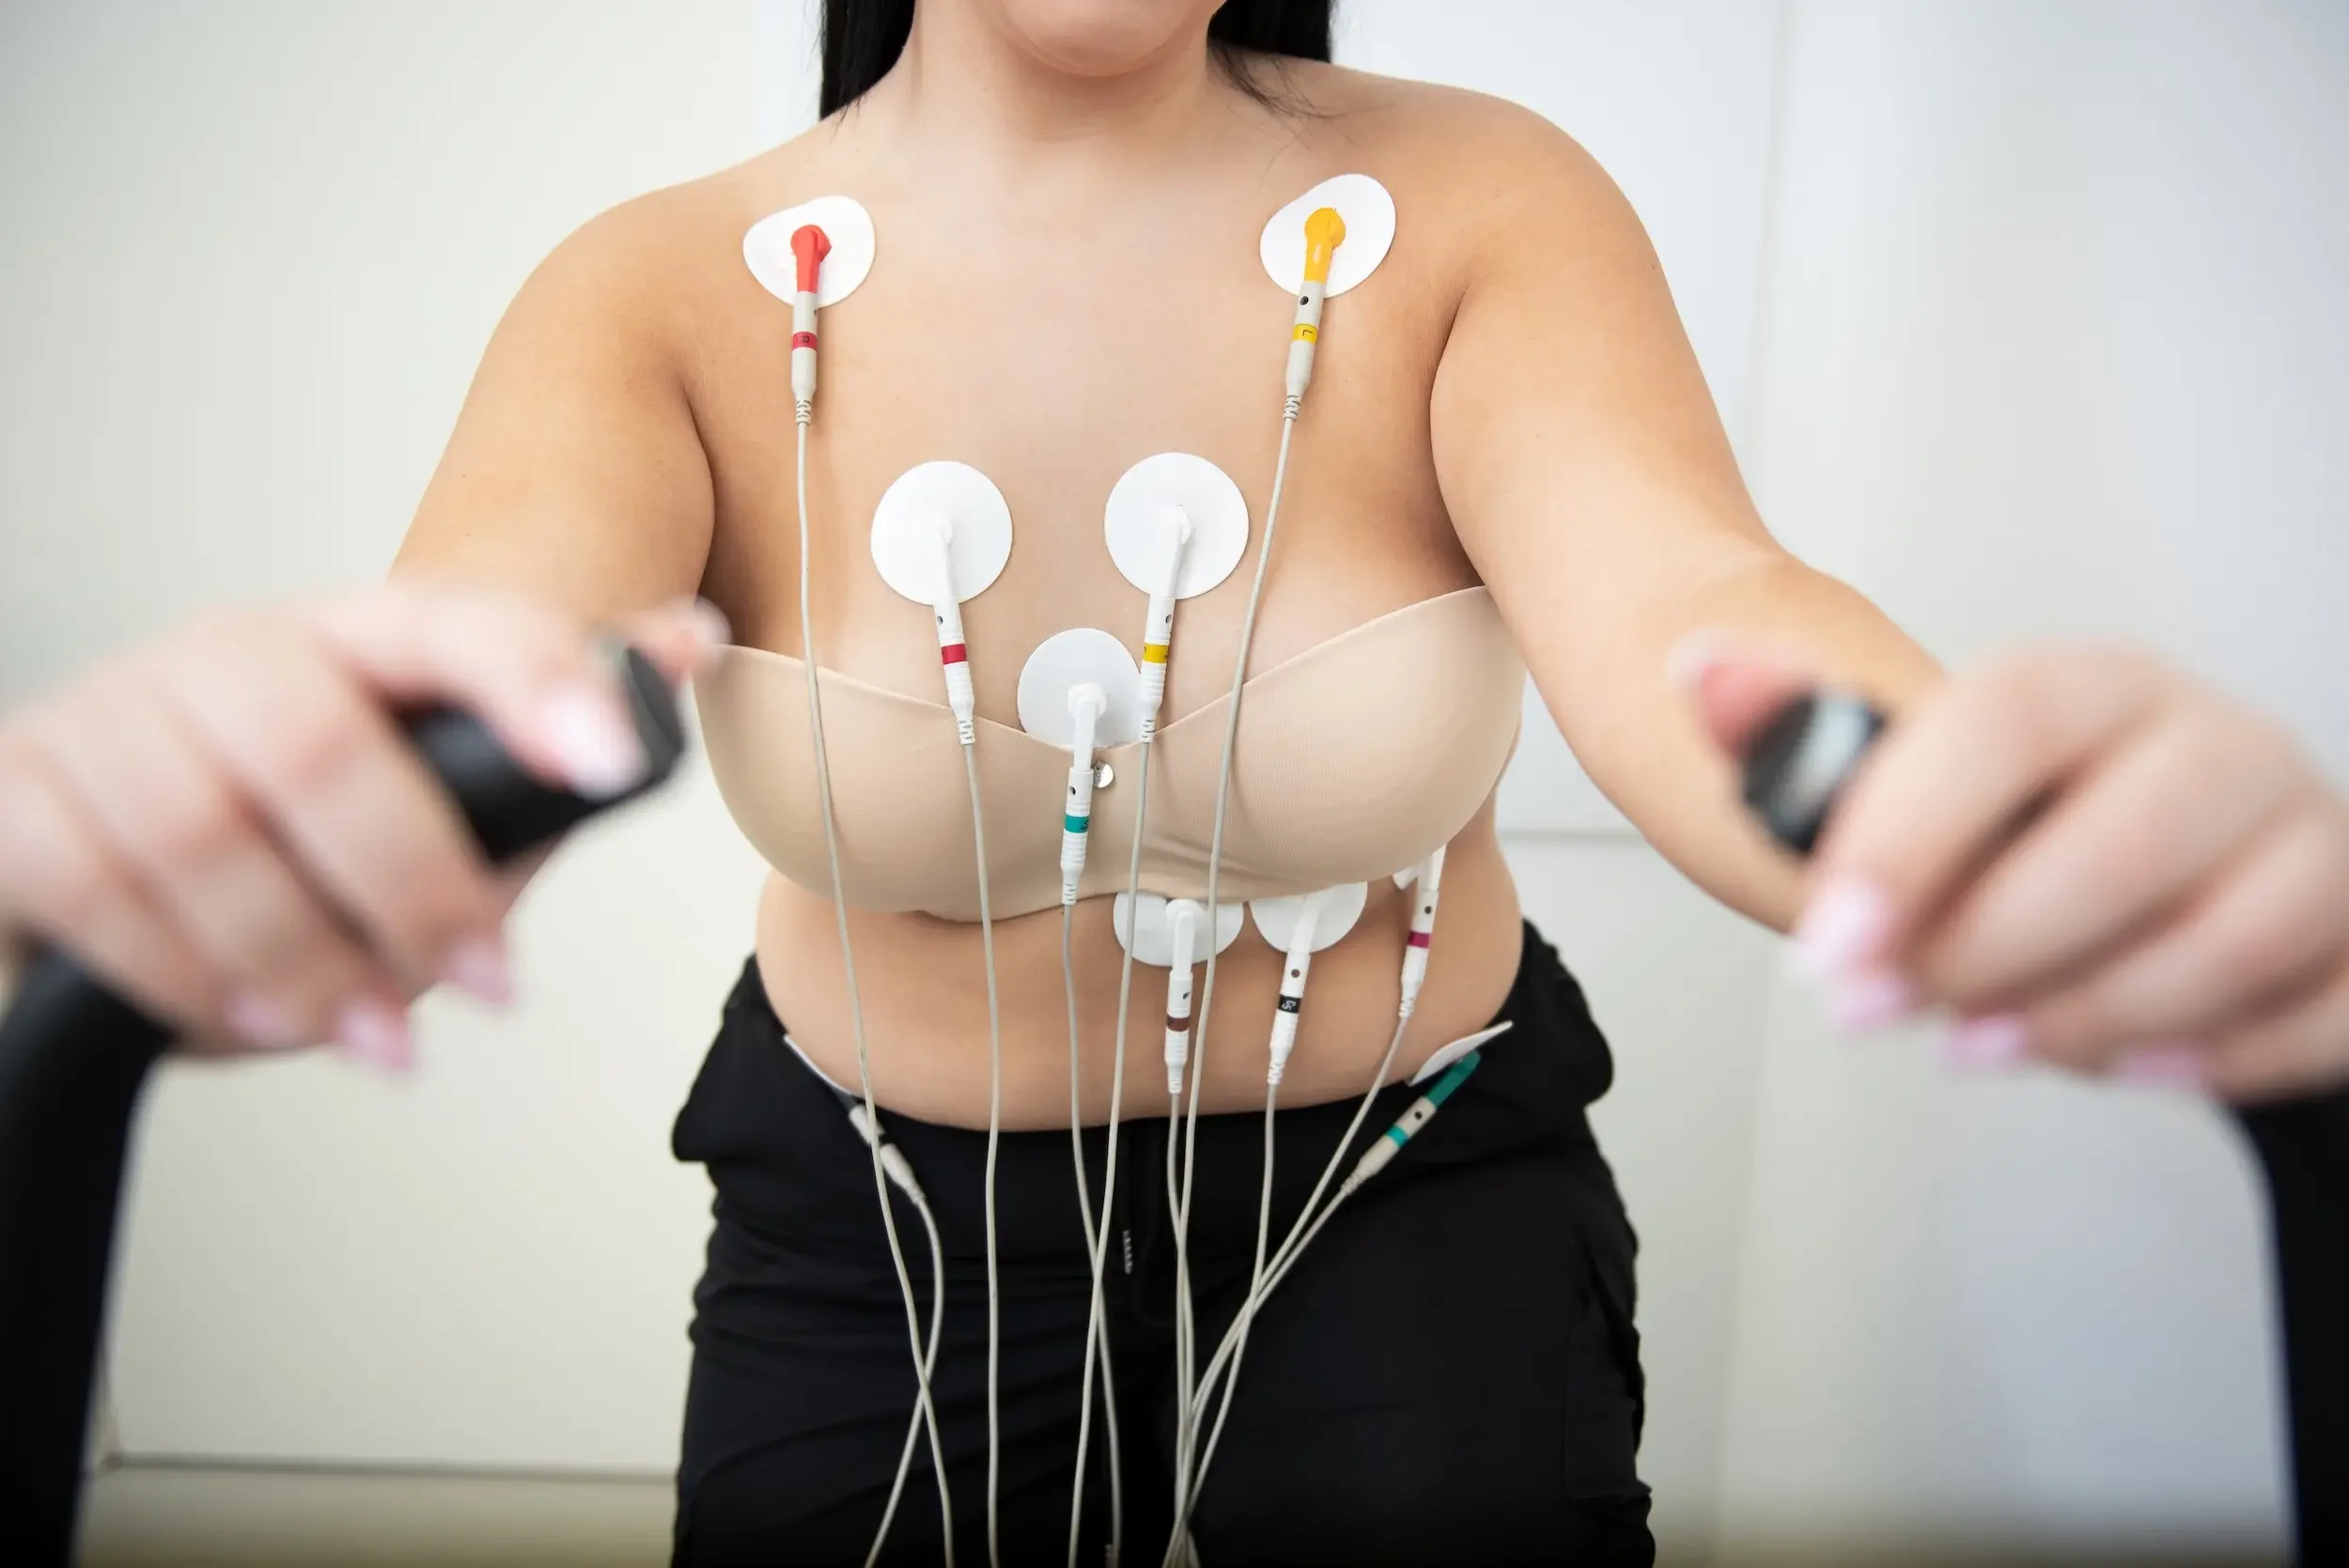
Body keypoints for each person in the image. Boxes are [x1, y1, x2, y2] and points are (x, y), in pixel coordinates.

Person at [1, 1, 2344, 1561]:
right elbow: (480, 644)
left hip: (1414, 1199)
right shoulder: (659, 290)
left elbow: (1686, 612)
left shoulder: (1484, 207)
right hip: (876, 1234)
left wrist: (1970, 810)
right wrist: (278, 778)